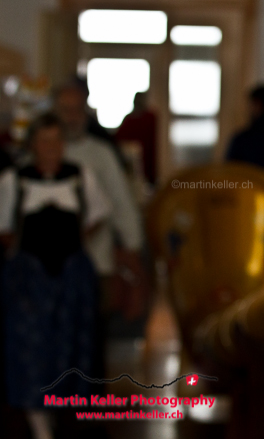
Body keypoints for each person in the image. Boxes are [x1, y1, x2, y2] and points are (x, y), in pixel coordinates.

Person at [0, 113, 110, 437]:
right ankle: (39, 424)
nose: (52, 148)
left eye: (57, 141)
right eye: (45, 141)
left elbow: (97, 215)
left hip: (71, 279)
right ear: (33, 144)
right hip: (29, 280)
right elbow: (4, 228)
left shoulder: (80, 176)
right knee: (30, 352)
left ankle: (64, 418)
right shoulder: (14, 180)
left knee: (70, 350)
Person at [54, 85, 146, 323]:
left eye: (77, 110)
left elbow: (120, 200)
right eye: (66, 110)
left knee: (91, 326)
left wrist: (132, 246)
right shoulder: (42, 152)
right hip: (51, 264)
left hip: (96, 259)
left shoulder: (101, 153)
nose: (72, 118)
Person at [115, 91, 158, 185]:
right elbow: (118, 139)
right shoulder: (129, 119)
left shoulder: (150, 118)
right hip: (131, 163)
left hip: (147, 159)